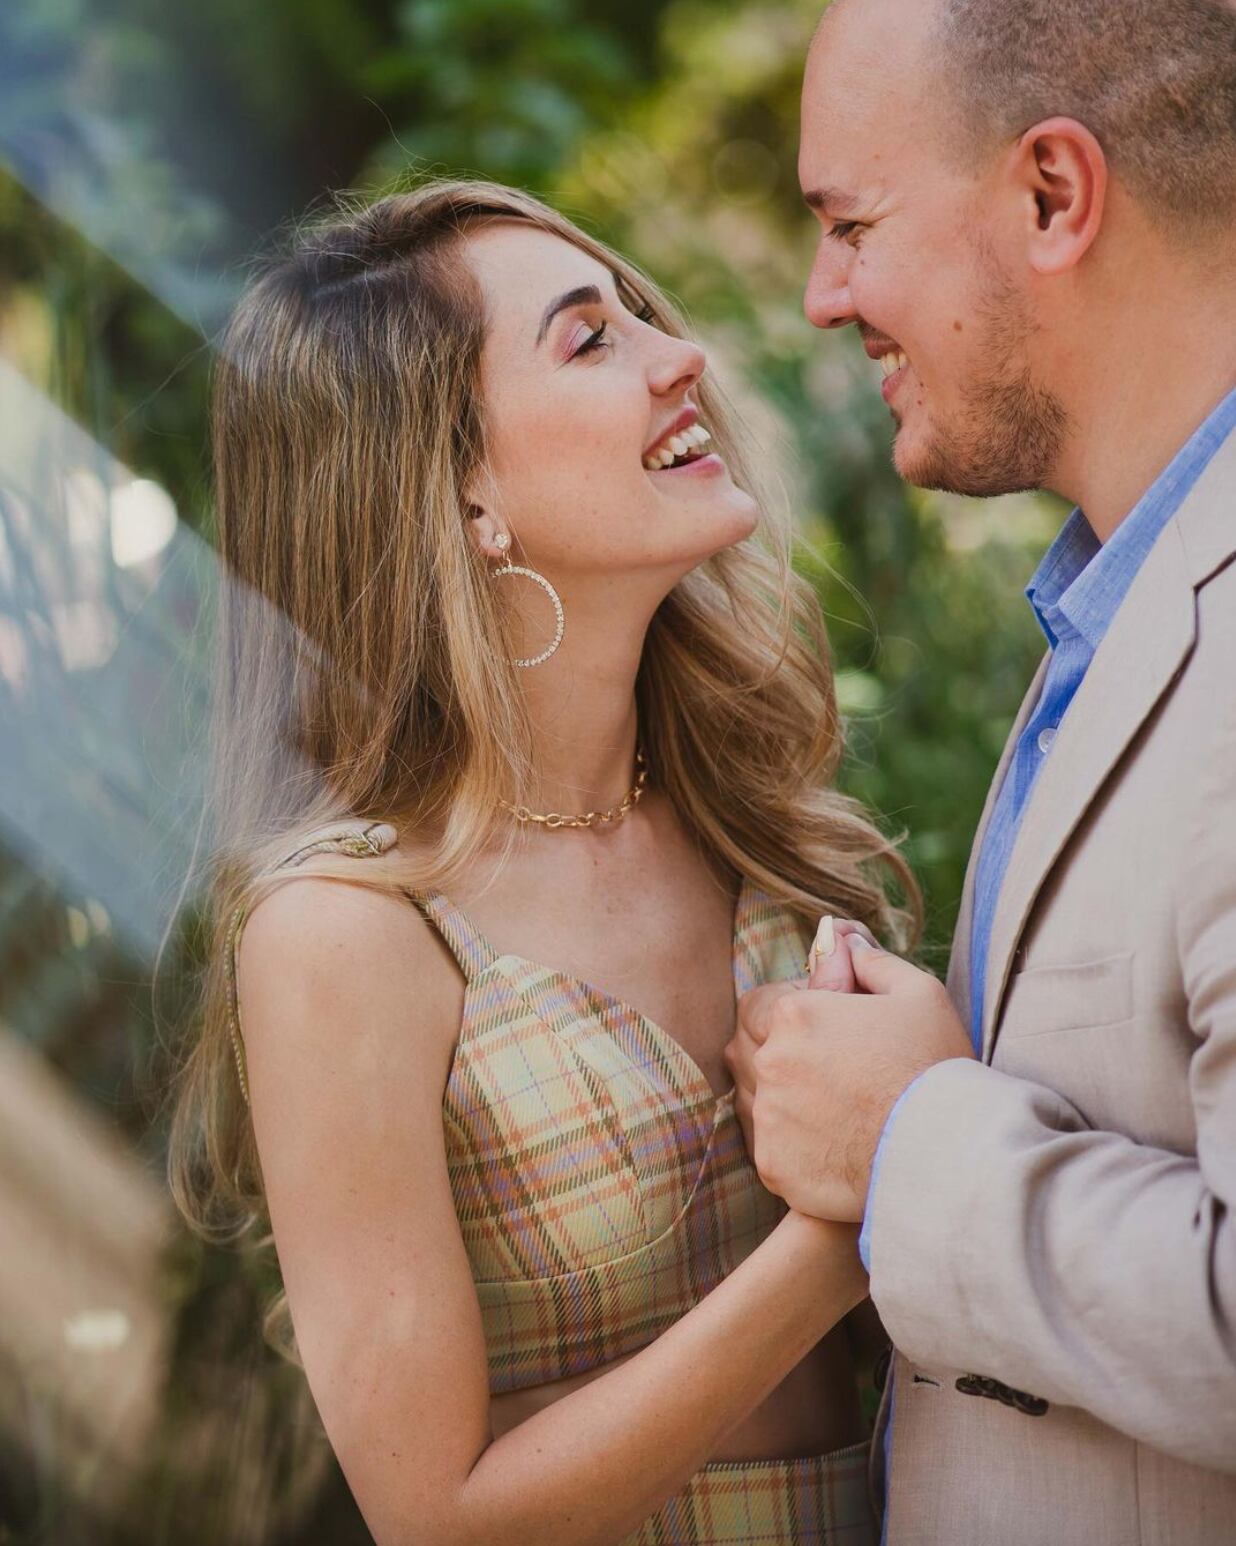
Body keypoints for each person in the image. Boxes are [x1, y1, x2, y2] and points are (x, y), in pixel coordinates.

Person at [166, 178, 917, 1545]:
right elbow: (438, 1514)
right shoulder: (348, 931)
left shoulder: (742, 806)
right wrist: (866, 1199)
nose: (679, 354)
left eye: (637, 312)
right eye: (592, 340)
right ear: (455, 488)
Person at [726, 0, 1236, 1541]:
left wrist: (910, 1142)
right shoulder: (1125, 589)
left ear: (1053, 196)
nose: (824, 296)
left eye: (850, 222)